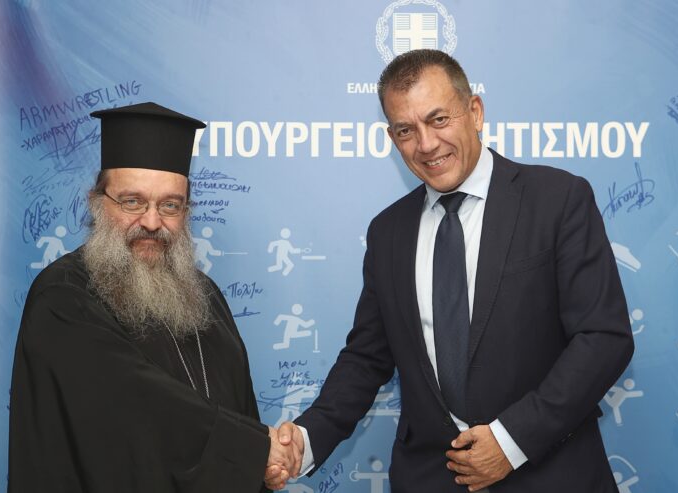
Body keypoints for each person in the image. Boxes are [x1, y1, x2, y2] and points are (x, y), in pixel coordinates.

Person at [271, 50, 634, 492]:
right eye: (406, 130)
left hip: (552, 474)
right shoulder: (388, 232)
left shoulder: (557, 199)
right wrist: (305, 439)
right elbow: (367, 358)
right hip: (430, 479)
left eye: (438, 119)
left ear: (475, 111)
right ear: (392, 137)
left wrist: (511, 441)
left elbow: (603, 338)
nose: (426, 144)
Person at [9, 102, 297, 492]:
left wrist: (260, 463)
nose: (151, 221)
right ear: (97, 202)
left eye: (170, 206)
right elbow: (133, 401)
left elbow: (240, 406)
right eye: (132, 201)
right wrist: (253, 449)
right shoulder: (63, 296)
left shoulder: (206, 297)